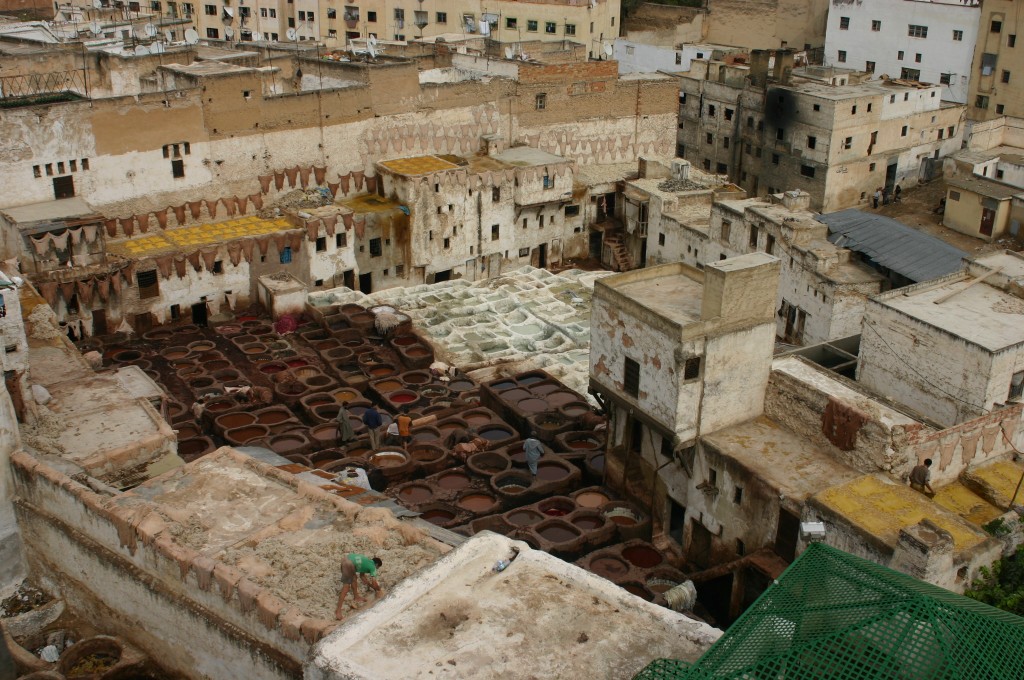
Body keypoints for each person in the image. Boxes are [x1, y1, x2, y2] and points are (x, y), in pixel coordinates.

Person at [334, 553, 384, 620]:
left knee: (354, 577)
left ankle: (356, 597)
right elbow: (374, 582)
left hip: (346, 559)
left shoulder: (366, 561)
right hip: (349, 564)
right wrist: (378, 590)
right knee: (346, 587)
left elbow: (362, 577)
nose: (376, 569)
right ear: (376, 565)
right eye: (377, 568)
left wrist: (371, 586)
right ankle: (338, 610)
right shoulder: (373, 567)